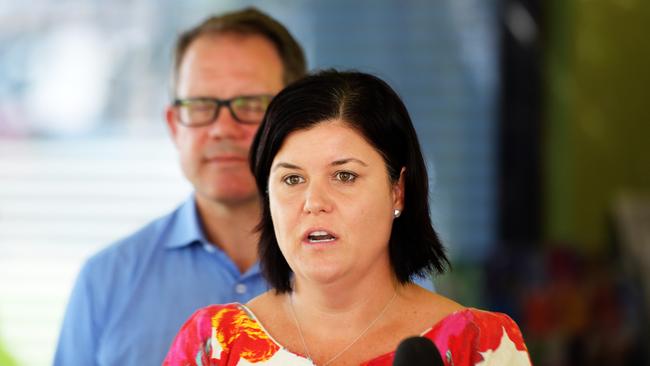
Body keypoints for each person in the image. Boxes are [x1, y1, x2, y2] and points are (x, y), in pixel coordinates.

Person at [164, 70, 532, 365]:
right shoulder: (211, 346)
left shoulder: (480, 344)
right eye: (292, 179)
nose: (314, 202)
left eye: (344, 176)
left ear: (397, 191)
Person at [54, 8, 307, 366]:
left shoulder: (367, 273)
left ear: (299, 121)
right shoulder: (106, 280)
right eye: (200, 105)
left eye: (251, 104)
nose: (222, 128)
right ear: (174, 125)